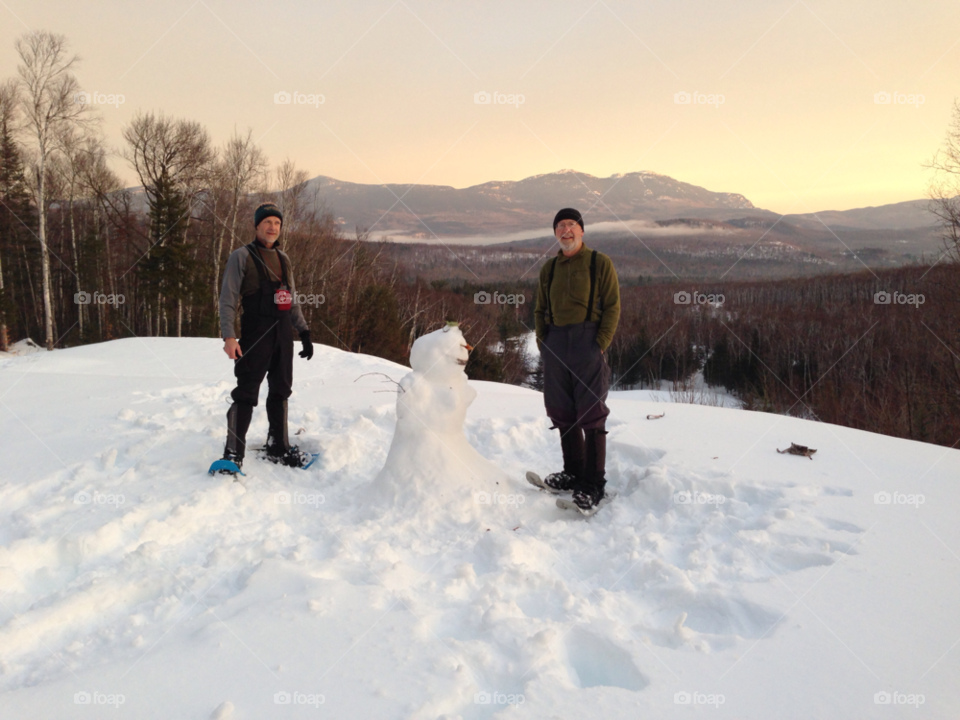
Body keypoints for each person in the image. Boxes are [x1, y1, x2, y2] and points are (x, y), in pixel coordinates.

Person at [216, 202, 314, 471]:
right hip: (255, 333)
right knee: (246, 391)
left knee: (281, 390)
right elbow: (228, 299)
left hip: (282, 334)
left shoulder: (284, 259)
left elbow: (291, 299)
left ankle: (278, 447)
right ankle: (233, 454)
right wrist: (229, 336)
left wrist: (303, 331)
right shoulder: (242, 256)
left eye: (277, 223)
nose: (272, 227)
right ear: (257, 226)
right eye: (267, 222)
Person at [534, 208, 620, 510]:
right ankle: (573, 472)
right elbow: (539, 309)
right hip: (556, 342)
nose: (566, 230)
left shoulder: (599, 263)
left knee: (591, 413)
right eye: (560, 226)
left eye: (571, 225)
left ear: (582, 231)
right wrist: (543, 341)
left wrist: (599, 344)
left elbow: (612, 306)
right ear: (555, 233)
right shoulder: (550, 269)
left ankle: (593, 482)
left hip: (588, 340)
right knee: (562, 412)